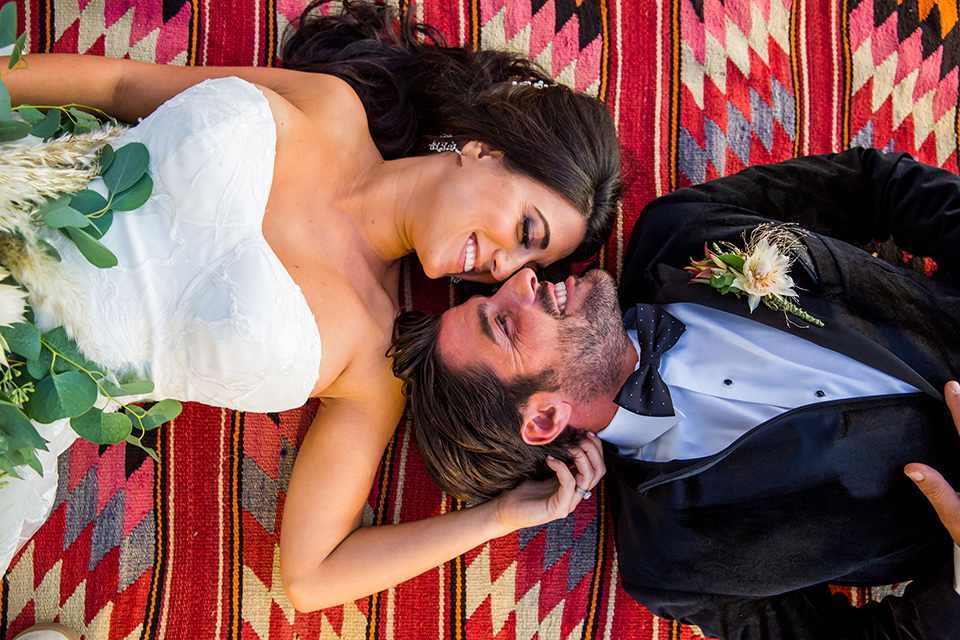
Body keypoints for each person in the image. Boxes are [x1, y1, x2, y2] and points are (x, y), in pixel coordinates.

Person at [0, 0, 622, 612]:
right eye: (526, 229)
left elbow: (312, 577)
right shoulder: (331, 106)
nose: (505, 268)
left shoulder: (374, 362)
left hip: (18, 379)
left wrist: (502, 516)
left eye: (529, 266)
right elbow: (124, 83)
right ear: (484, 150)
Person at [390, 147, 960, 638]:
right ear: (542, 421)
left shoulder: (679, 228)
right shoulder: (671, 561)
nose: (522, 281)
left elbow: (876, 185)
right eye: (504, 325)